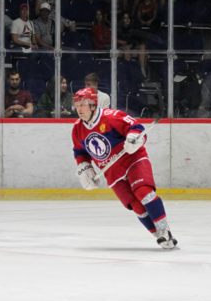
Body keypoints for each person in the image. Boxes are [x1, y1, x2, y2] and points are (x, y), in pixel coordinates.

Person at [71, 87, 177, 249]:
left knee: (144, 192)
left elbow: (137, 128)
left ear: (93, 105)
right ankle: (158, 234)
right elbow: (80, 152)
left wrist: (133, 137)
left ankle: (165, 230)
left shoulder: (112, 117)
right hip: (111, 170)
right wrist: (84, 168)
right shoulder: (77, 129)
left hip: (133, 159)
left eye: (83, 104)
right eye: (77, 105)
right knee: (135, 205)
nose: (79, 109)